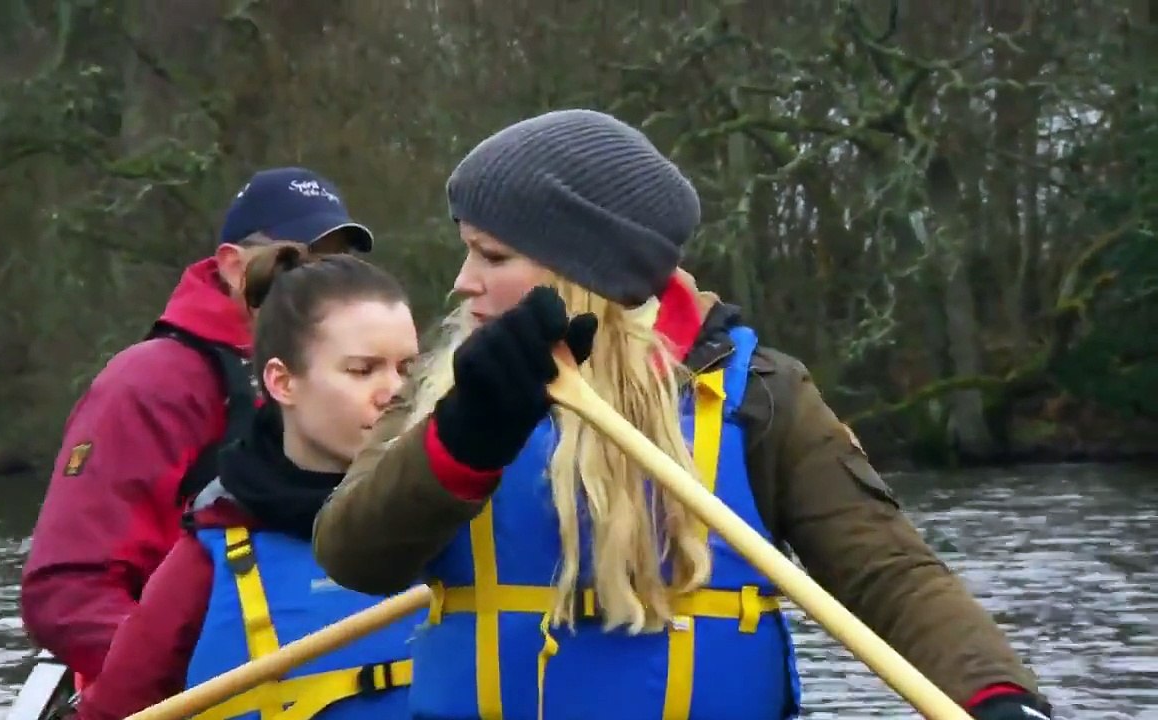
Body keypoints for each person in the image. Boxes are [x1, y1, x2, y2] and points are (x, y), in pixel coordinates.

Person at [311, 109, 1053, 720]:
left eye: (492, 256)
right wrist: (465, 438)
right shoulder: (447, 393)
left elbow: (891, 573)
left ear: (584, 270)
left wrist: (996, 697)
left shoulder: (762, 394)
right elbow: (353, 557)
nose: (462, 283)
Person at [20, 166, 376, 688]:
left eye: (338, 265)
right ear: (233, 265)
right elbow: (66, 593)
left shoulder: (370, 379)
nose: (322, 285)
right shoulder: (149, 384)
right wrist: (205, 671)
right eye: (297, 261)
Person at [72, 246, 423, 720]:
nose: (394, 394)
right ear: (282, 382)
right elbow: (115, 708)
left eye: (407, 369)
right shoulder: (206, 555)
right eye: (362, 370)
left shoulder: (455, 516)